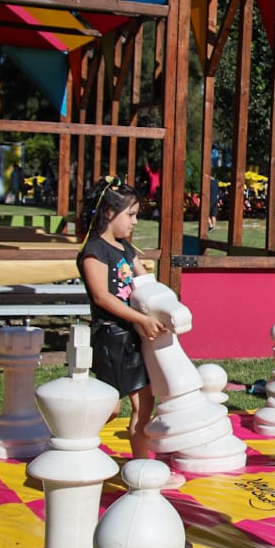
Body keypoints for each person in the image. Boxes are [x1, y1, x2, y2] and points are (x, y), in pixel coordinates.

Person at [77, 177, 169, 467]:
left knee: (144, 406)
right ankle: (72, 443)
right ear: (108, 213)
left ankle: (140, 469)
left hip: (133, 337)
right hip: (111, 338)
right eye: (130, 215)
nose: (135, 222)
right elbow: (103, 298)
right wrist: (141, 318)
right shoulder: (94, 250)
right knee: (110, 407)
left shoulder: (126, 250)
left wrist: (165, 309)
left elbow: (145, 284)